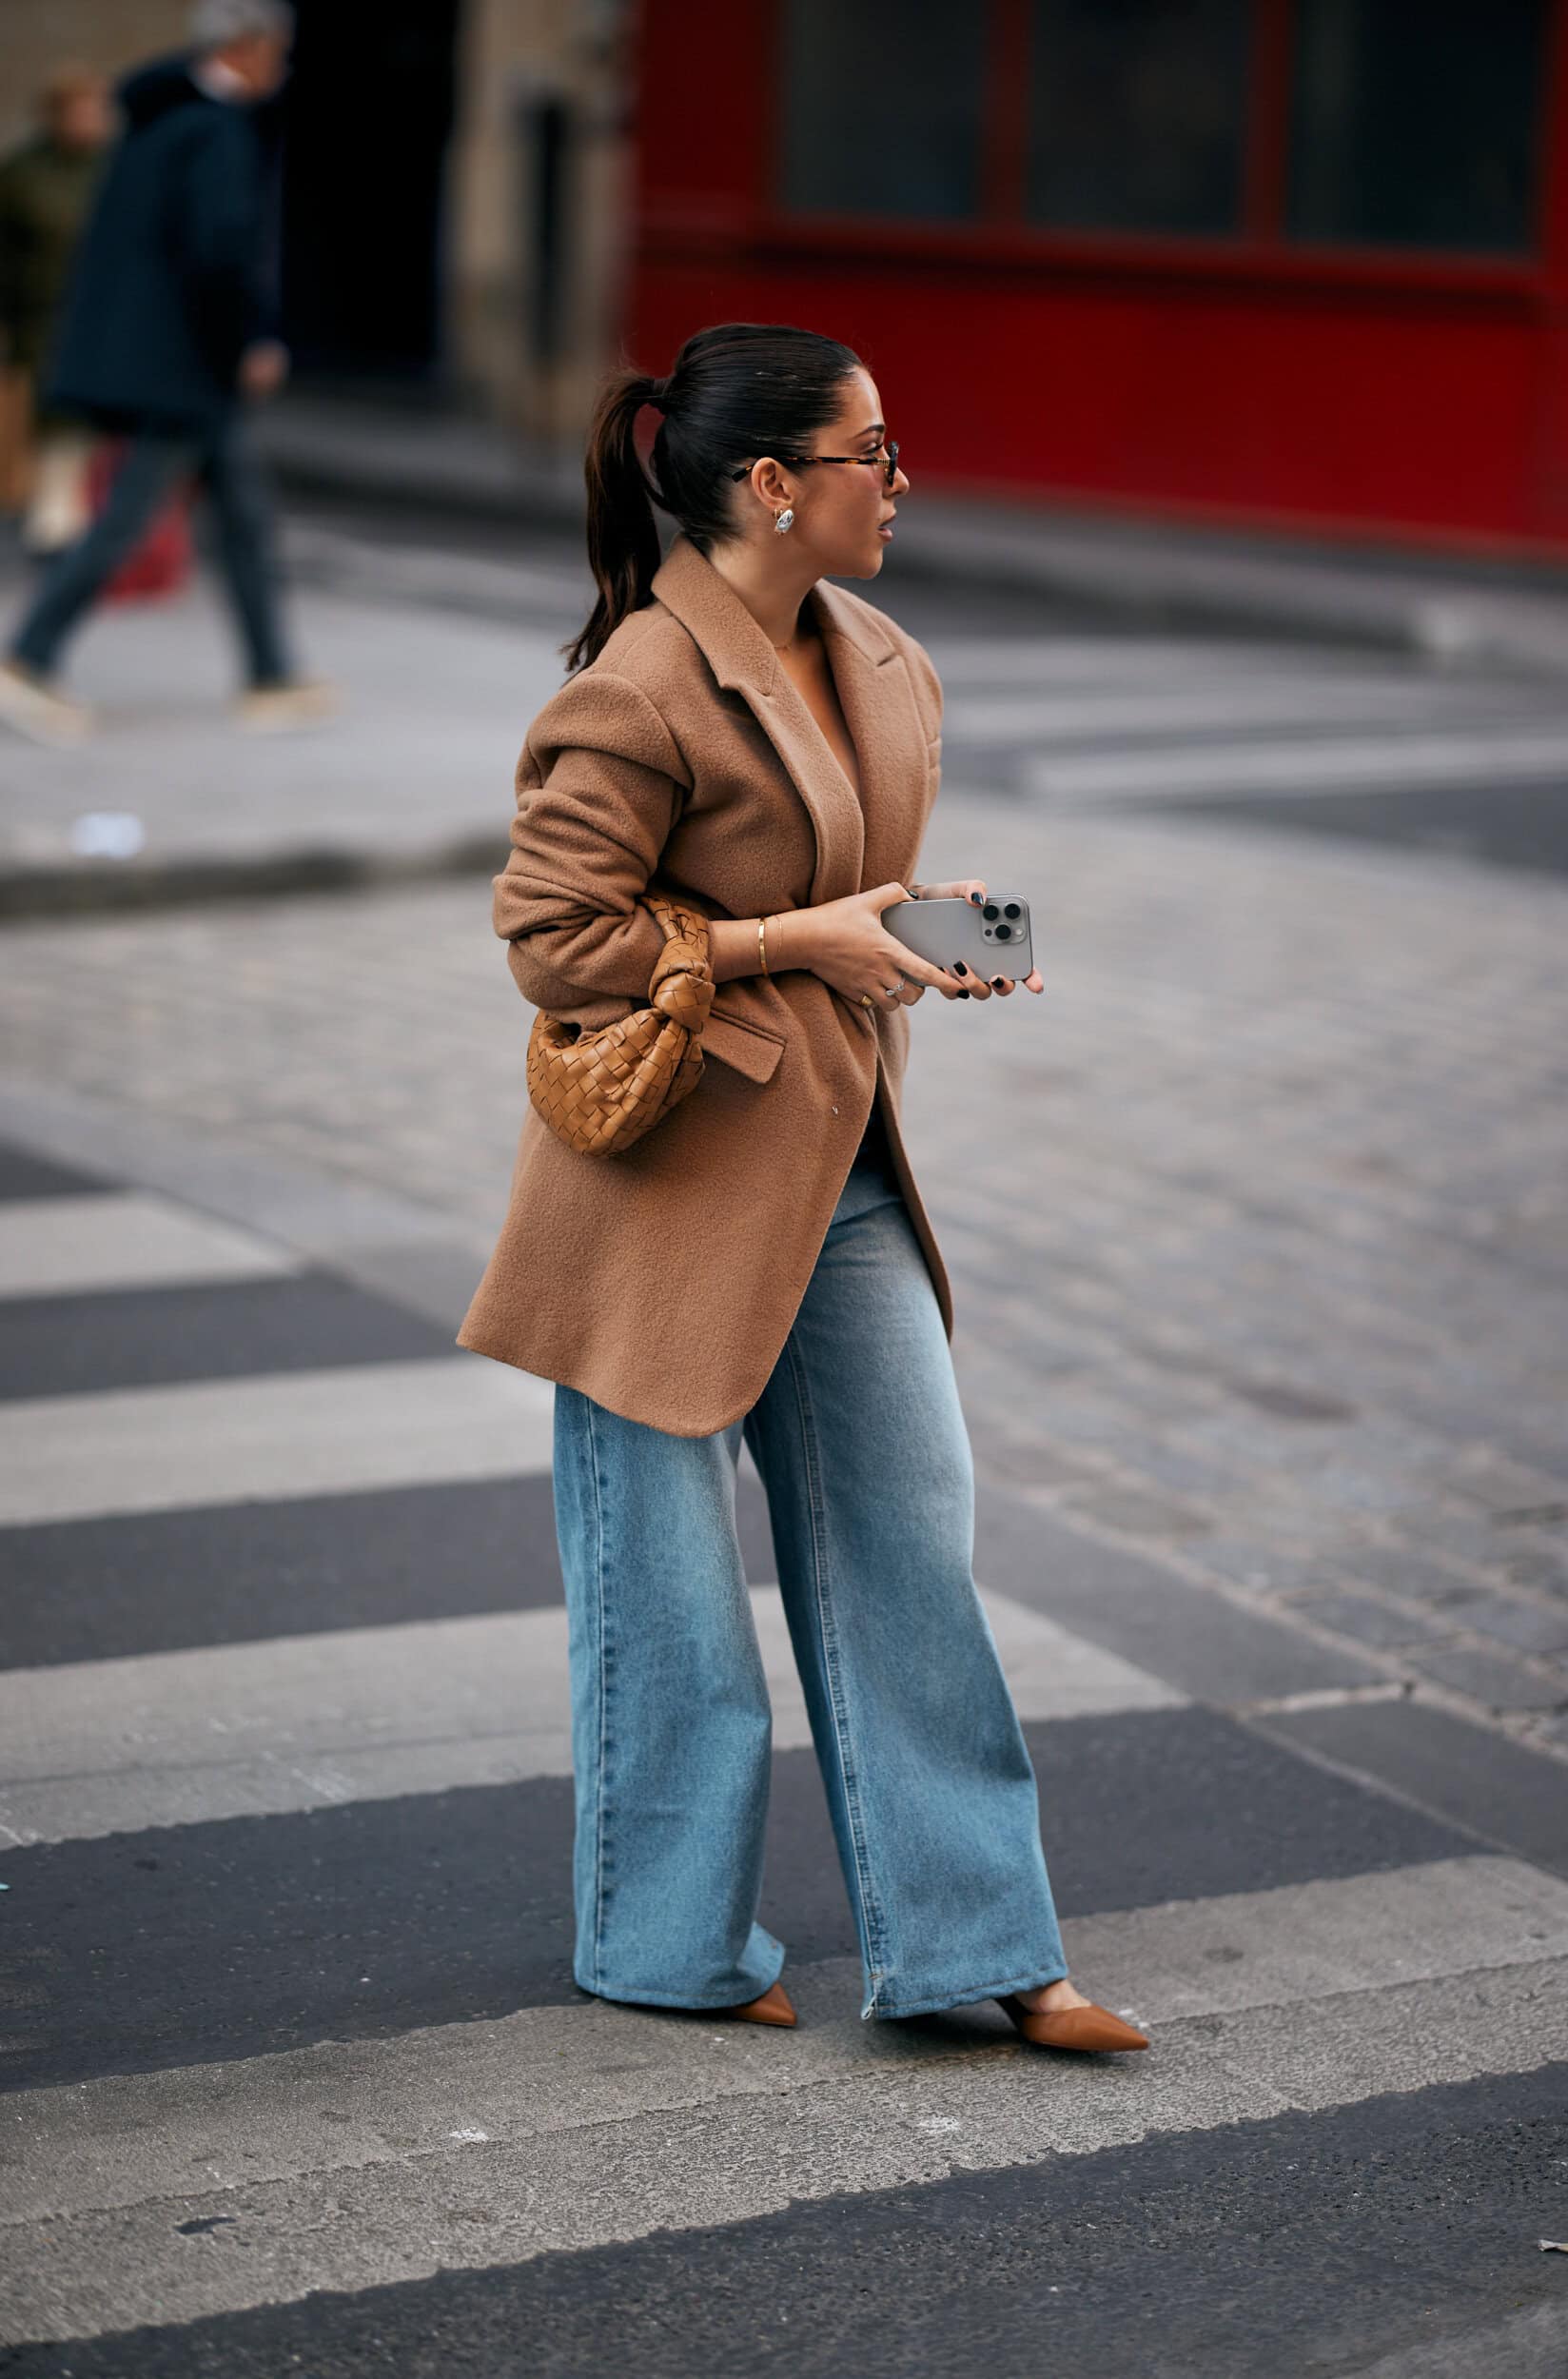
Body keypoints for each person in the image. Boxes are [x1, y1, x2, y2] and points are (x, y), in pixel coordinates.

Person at [457, 322, 1148, 2054]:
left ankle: (977, 1946)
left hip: (840, 1168)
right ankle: (662, 1942)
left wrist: (916, 933)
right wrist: (794, 944)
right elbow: (553, 942)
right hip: (662, 1187)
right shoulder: (637, 682)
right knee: (665, 1599)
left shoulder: (880, 656)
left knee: (914, 1543)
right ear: (772, 487)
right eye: (874, 456)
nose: (901, 485)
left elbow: (849, 881)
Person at [0, 0, 333, 746]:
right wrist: (247, 341)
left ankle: (271, 674)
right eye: (276, 50)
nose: (280, 68)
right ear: (245, 48)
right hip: (183, 368)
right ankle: (27, 658)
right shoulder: (215, 130)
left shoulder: (158, 119)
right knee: (125, 518)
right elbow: (218, 255)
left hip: (164, 361)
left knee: (243, 517)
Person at [0, 66, 112, 558]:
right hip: (37, 315)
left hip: (104, 318)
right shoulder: (22, 175)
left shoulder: (114, 168)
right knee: (47, 420)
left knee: (91, 425)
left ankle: (73, 526)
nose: (88, 122)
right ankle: (53, 527)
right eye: (79, 112)